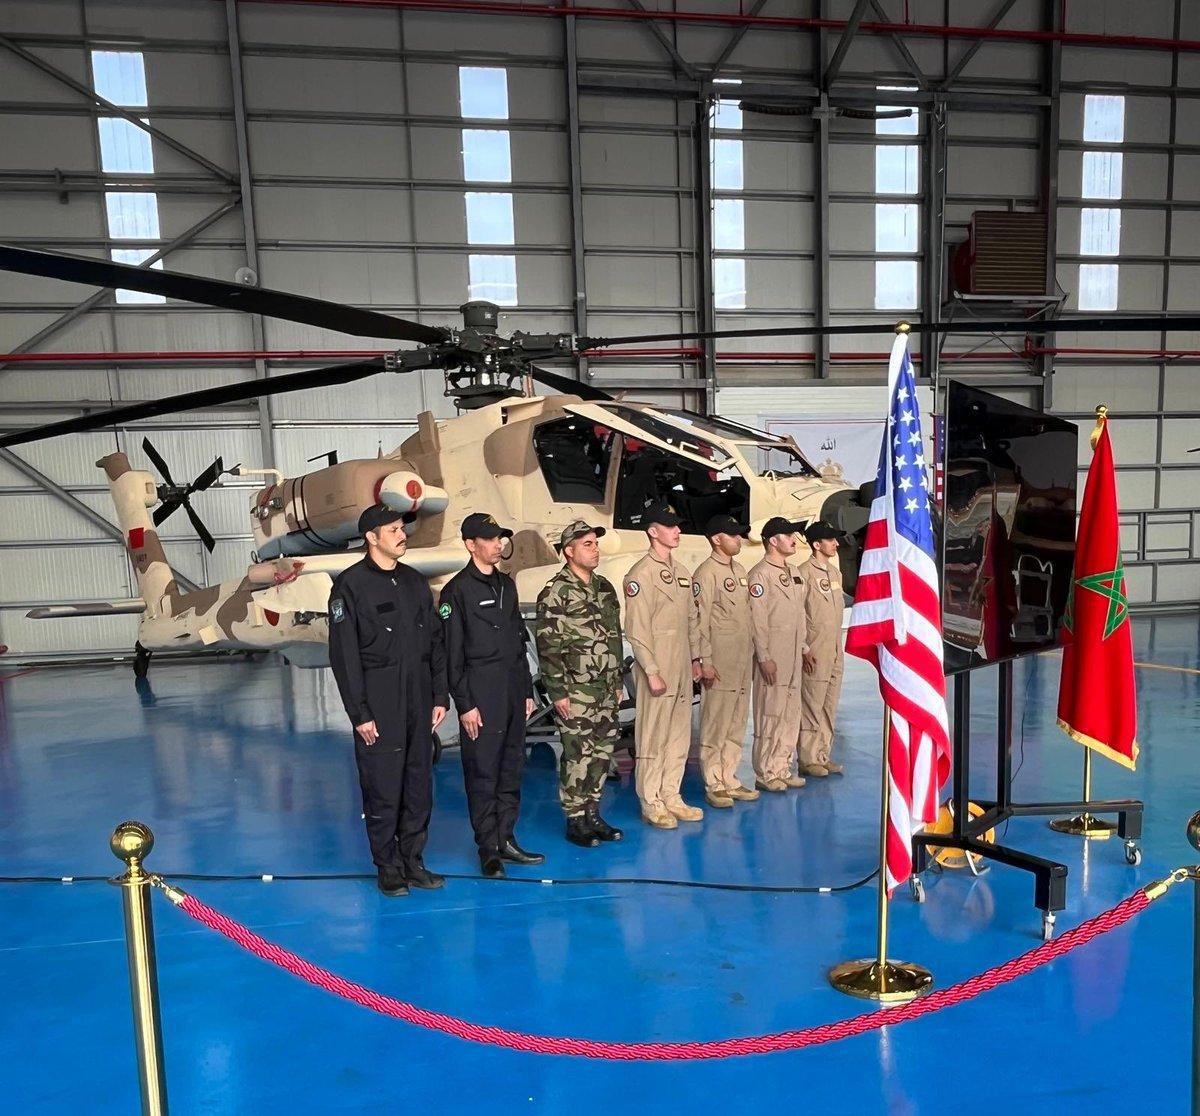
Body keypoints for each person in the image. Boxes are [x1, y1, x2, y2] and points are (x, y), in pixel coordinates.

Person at [328, 505, 448, 897]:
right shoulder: (350, 586)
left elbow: (435, 643)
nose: (402, 535)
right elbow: (345, 657)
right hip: (379, 704)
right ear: (372, 537)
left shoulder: (415, 583)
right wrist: (359, 713)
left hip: (418, 703)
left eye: (402, 528)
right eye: (393, 529)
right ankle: (388, 866)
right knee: (383, 786)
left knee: (418, 785)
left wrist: (438, 695)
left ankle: (413, 861)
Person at [440, 512, 544, 878]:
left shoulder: (507, 585)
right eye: (490, 538)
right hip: (480, 695)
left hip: (513, 691)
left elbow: (518, 640)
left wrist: (527, 689)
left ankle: (507, 838)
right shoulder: (456, 592)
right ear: (471, 545)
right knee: (483, 772)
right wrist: (465, 705)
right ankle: (488, 849)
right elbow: (451, 656)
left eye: (500, 537)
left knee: (511, 768)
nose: (499, 543)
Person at [534, 520, 625, 848]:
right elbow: (548, 646)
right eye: (587, 544)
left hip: (605, 688)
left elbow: (614, 638)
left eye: (595, 543)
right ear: (568, 551)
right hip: (575, 689)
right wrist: (557, 692)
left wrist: (616, 682)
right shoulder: (556, 591)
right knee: (577, 753)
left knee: (601, 752)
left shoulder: (604, 588)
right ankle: (575, 819)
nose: (595, 548)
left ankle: (593, 812)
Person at [622, 504, 703, 829]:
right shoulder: (640, 575)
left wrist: (696, 659)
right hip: (657, 667)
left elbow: (692, 621)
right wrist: (651, 671)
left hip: (682, 665)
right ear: (653, 531)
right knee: (653, 735)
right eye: (670, 526)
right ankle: (651, 800)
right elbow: (637, 630)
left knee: (679, 735)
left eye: (677, 526)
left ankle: (672, 795)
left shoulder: (683, 572)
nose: (677, 531)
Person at [693, 514, 760, 809]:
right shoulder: (706, 573)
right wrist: (704, 659)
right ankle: (713, 781)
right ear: (716, 539)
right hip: (719, 661)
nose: (739, 539)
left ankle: (730, 777)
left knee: (735, 723)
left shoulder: (740, 570)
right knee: (715, 723)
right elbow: (700, 620)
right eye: (732, 535)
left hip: (741, 660)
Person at [747, 516, 809, 793]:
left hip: (794, 654)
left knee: (790, 712)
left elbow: (800, 615)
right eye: (788, 535)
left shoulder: (795, 571)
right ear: (773, 541)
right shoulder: (760, 575)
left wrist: (805, 648)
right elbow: (757, 619)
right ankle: (765, 771)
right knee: (770, 712)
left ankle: (782, 766)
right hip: (774, 654)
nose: (794, 538)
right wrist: (764, 656)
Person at [798, 520, 846, 778]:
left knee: (830, 701)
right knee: (812, 702)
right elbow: (798, 613)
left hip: (835, 647)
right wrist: (804, 648)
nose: (836, 544)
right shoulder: (804, 573)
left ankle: (822, 753)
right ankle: (807, 757)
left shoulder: (834, 574)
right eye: (830, 540)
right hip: (815, 648)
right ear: (817, 545)